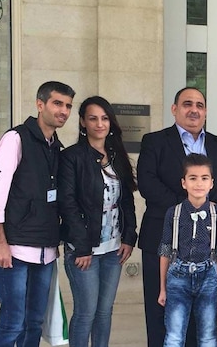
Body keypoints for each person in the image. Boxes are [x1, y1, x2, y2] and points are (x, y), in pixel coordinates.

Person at [137, 86, 217, 347]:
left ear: (205, 111)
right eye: (187, 104)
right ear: (175, 109)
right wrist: (187, 209)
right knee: (161, 314)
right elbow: (147, 182)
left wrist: (212, 212)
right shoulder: (155, 142)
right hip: (162, 240)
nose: (193, 109)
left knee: (202, 319)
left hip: (206, 247)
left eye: (199, 105)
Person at [0, 81, 75, 347]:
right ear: (40, 104)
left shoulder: (56, 147)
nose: (64, 111)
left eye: (68, 106)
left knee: (34, 322)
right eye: (57, 103)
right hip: (14, 251)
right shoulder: (16, 139)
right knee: (13, 322)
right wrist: (0, 242)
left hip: (45, 252)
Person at [58, 96, 138, 347]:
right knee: (85, 312)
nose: (99, 124)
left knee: (105, 311)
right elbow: (68, 204)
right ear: (82, 122)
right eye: (93, 118)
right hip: (84, 250)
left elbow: (126, 201)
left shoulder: (117, 155)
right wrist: (82, 247)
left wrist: (128, 237)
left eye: (104, 118)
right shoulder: (72, 157)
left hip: (113, 249)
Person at [157, 153, 217, 347]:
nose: (199, 184)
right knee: (174, 335)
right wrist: (163, 288)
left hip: (208, 277)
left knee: (208, 335)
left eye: (204, 178)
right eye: (193, 178)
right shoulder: (174, 213)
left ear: (212, 183)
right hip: (178, 276)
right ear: (183, 183)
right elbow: (165, 250)